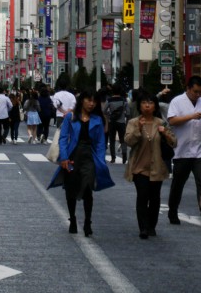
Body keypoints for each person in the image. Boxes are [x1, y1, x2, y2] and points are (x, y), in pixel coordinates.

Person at [48, 89, 114, 237]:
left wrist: (100, 160)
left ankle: (87, 222)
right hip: (73, 155)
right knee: (70, 189)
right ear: (82, 100)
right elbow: (63, 138)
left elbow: (100, 143)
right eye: (89, 100)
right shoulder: (71, 117)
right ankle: (72, 218)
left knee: (87, 188)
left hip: (90, 156)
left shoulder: (98, 119)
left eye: (94, 101)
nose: (91, 104)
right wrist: (64, 158)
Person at [124, 92, 176, 239]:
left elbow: (174, 142)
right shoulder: (133, 122)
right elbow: (128, 141)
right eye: (144, 103)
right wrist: (138, 129)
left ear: (155, 106)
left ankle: (152, 225)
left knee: (155, 198)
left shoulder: (161, 123)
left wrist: (165, 133)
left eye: (151, 103)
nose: (147, 106)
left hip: (157, 167)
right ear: (139, 106)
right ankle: (143, 228)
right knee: (142, 196)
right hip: (139, 167)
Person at [166, 75, 201, 229]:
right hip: (182, 150)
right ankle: (172, 211)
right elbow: (172, 121)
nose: (198, 95)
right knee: (178, 183)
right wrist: (191, 116)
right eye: (195, 91)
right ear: (188, 89)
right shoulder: (177, 101)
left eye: (200, 92)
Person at [105, 84, 129, 164]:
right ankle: (124, 156)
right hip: (121, 122)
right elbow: (128, 112)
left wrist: (110, 114)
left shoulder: (109, 100)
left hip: (112, 122)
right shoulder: (124, 100)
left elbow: (104, 110)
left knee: (112, 140)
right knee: (123, 140)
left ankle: (113, 157)